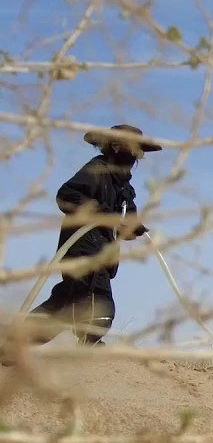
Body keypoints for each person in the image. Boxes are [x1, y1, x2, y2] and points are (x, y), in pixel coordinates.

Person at [25, 124, 162, 347]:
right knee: (98, 303)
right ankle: (90, 343)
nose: (137, 156)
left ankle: (11, 343)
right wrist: (103, 213)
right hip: (84, 249)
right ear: (116, 146)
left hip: (102, 252)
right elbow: (67, 195)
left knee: (65, 302)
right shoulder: (97, 169)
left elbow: (127, 216)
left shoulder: (124, 185)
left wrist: (132, 227)